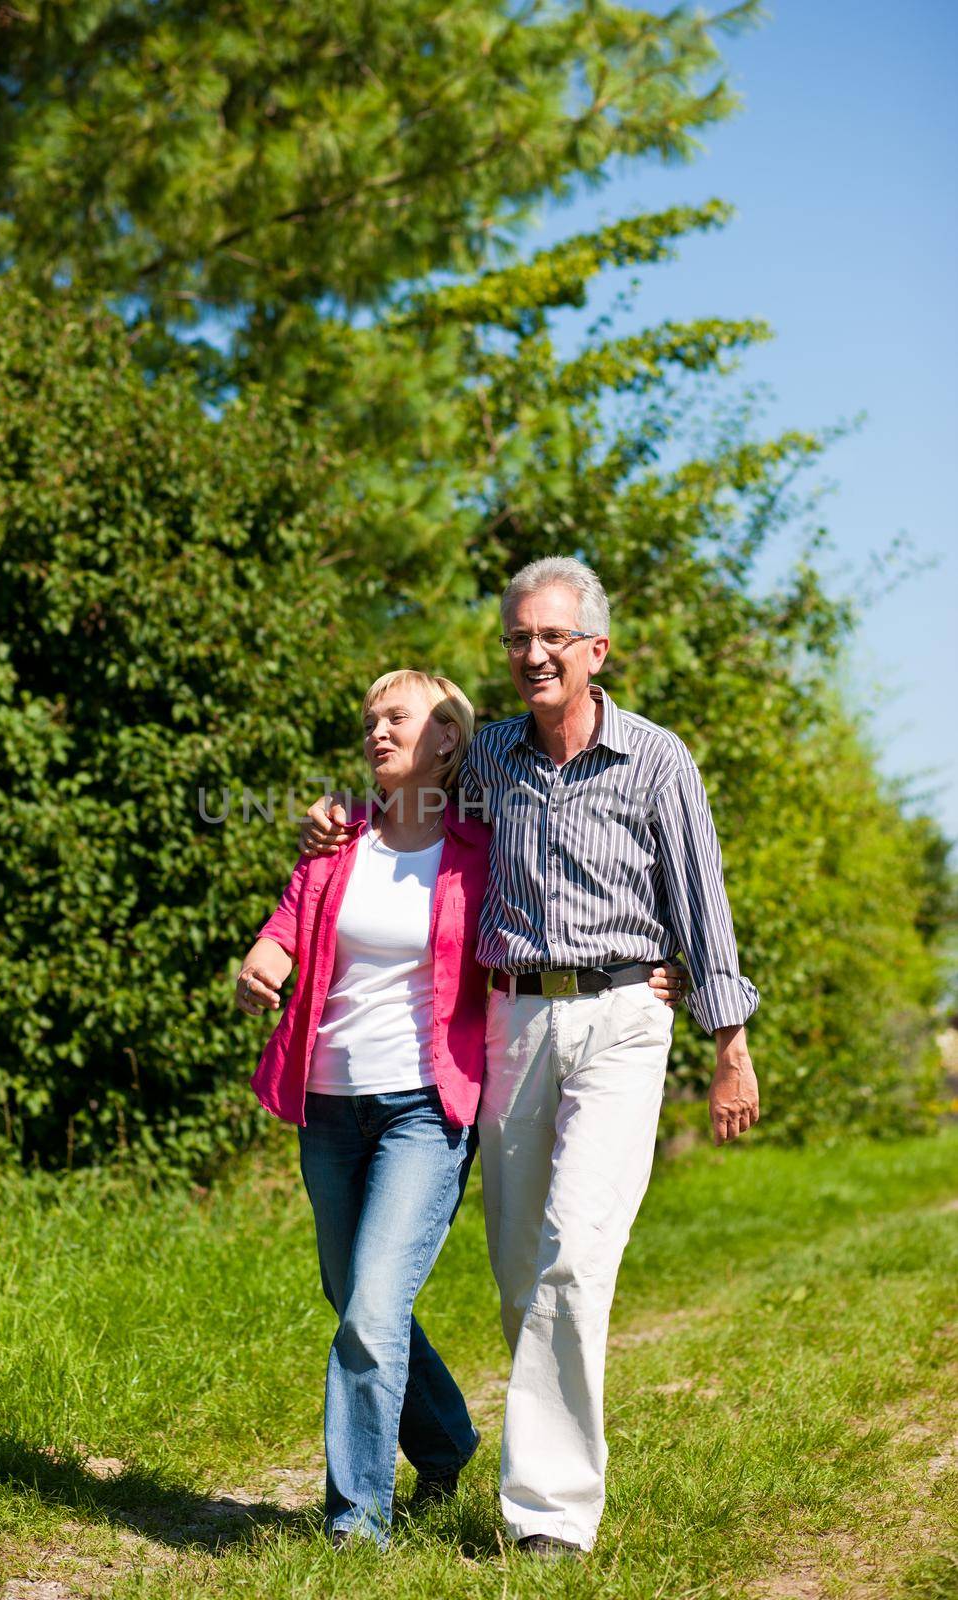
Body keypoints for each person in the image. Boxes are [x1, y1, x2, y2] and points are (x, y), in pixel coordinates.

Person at [302, 557, 760, 1563]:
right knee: (517, 1270)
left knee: (567, 1258)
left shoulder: (653, 759)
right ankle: (495, 1456)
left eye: (552, 636)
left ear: (596, 649)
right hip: (511, 1022)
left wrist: (728, 1038)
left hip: (622, 1020)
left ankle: (548, 1516)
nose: (532, 653)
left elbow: (700, 901)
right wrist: (333, 814)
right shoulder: (493, 758)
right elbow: (403, 801)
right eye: (516, 637)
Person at [238, 663, 686, 1551]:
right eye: (368, 718)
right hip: (328, 1102)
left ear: (448, 737)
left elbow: (567, 900)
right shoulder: (338, 840)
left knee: (369, 1310)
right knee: (356, 1297)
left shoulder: (484, 846)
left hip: (425, 1106)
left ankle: (355, 1526)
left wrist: (642, 964)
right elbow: (290, 922)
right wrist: (265, 959)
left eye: (396, 717)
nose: (376, 732)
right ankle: (444, 1442)